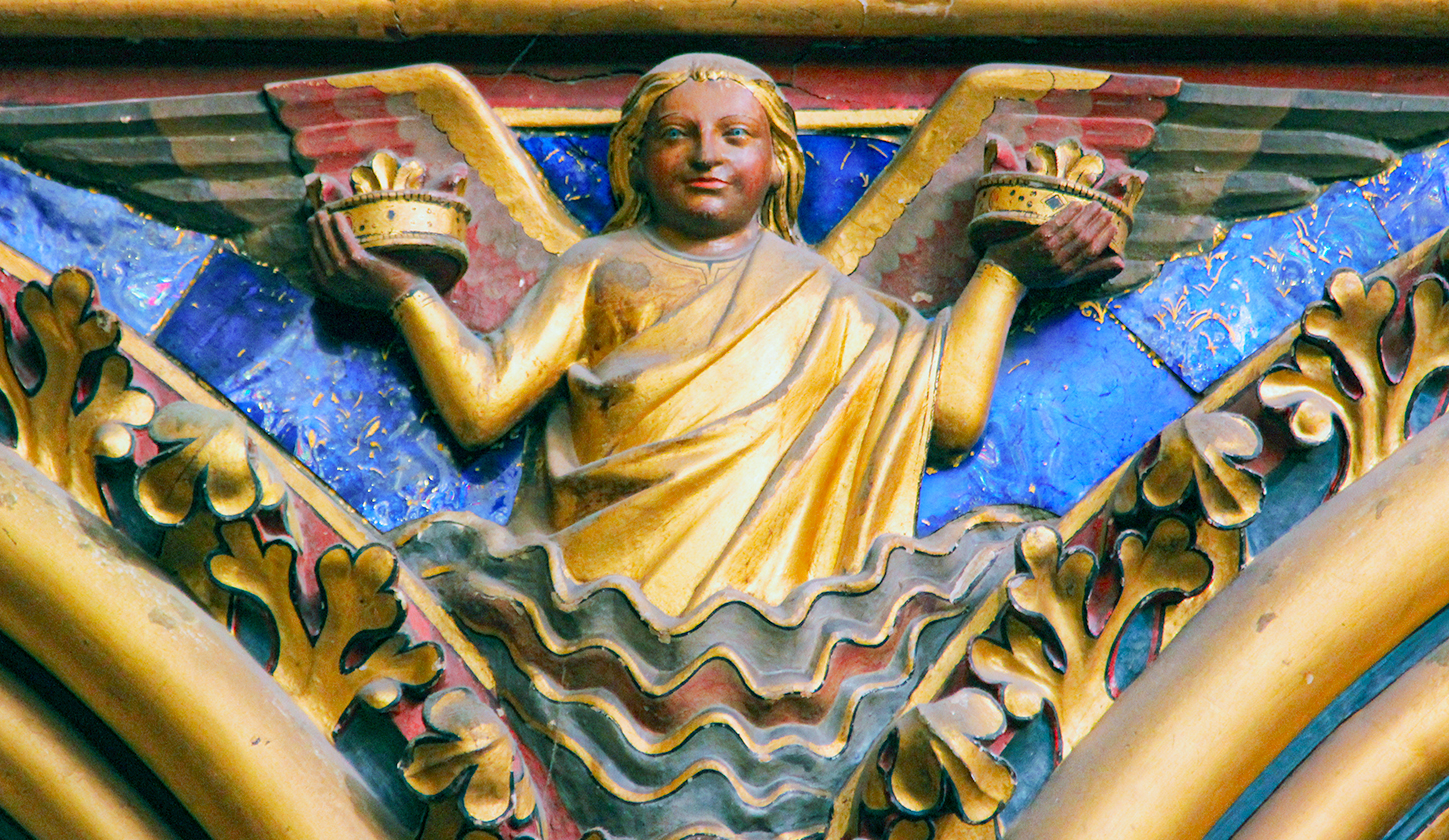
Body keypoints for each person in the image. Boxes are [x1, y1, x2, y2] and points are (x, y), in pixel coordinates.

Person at [309, 54, 1121, 616]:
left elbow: (945, 415)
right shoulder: (599, 268)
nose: (706, 155)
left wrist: (1004, 275)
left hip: (769, 619)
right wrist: (404, 296)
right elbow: (483, 408)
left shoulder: (818, 295)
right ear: (635, 158)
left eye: (736, 136)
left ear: (776, 162)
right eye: (676, 134)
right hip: (592, 594)